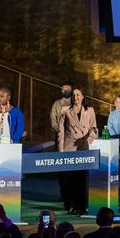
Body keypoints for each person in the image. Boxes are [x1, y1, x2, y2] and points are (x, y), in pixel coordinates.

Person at [57, 87, 97, 215]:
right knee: (68, 180)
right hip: (69, 148)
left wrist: (89, 139)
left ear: (83, 96)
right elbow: (61, 131)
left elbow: (93, 128)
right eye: (74, 95)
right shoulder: (65, 110)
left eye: (78, 95)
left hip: (83, 148)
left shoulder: (90, 110)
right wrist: (60, 150)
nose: (76, 97)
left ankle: (81, 207)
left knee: (81, 179)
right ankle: (70, 205)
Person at [49, 81, 74, 150]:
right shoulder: (56, 104)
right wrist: (60, 131)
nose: (65, 91)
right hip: (59, 135)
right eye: (63, 90)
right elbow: (53, 121)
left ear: (71, 91)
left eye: (67, 90)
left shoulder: (75, 104)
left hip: (74, 137)